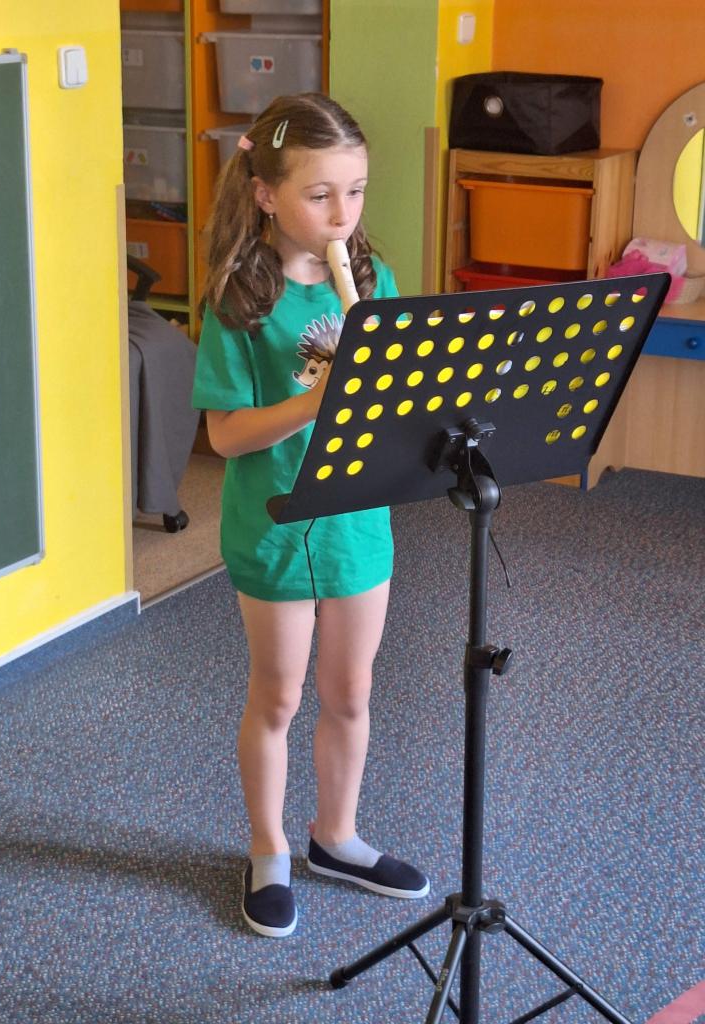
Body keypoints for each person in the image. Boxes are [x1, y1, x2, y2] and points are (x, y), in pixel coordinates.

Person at [192, 92, 429, 938]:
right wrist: (316, 401)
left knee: (351, 690)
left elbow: (395, 400)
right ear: (265, 193)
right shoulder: (239, 297)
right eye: (321, 194)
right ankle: (269, 849)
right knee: (279, 696)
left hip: (357, 518)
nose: (342, 213)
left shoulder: (369, 278)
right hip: (276, 523)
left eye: (355, 191)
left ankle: (338, 837)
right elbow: (224, 435)